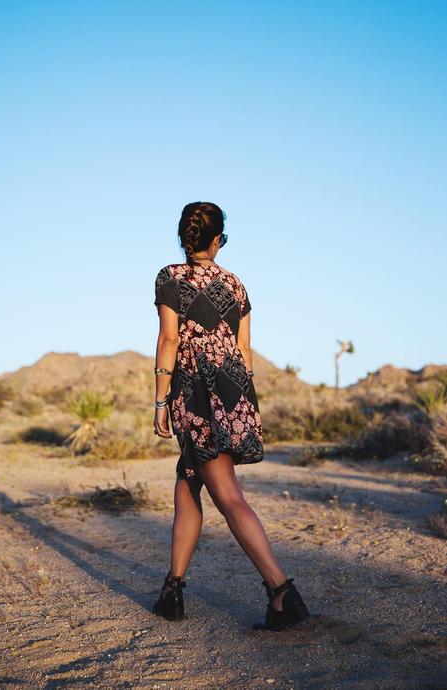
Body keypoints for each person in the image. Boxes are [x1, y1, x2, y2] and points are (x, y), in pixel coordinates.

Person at [152, 201, 310, 631]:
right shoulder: (236, 285)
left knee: (227, 494)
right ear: (217, 239)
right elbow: (244, 351)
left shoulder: (171, 277)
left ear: (185, 237)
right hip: (233, 390)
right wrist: (240, 403)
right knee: (189, 480)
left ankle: (282, 592)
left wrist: (161, 400)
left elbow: (169, 339)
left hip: (195, 393)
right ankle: (174, 588)